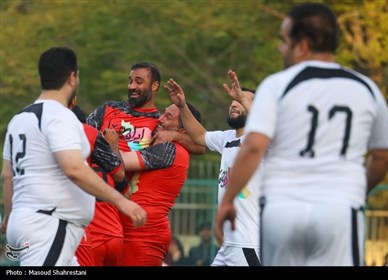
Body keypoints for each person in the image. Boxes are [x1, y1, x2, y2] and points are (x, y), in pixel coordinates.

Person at [214, 2, 388, 266]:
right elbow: (384, 156)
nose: (280, 48)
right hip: (340, 212)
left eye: (285, 40)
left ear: (303, 45)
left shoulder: (278, 86)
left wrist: (228, 200)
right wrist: (356, 191)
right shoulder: (366, 89)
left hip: (285, 210)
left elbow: (253, 146)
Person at [0, 46, 146, 266]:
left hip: (29, 222)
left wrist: (10, 216)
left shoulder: (19, 119)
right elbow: (74, 169)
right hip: (50, 224)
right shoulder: (61, 116)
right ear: (72, 77)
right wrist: (121, 201)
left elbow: (7, 176)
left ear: (41, 77)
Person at [86, 61, 204, 265]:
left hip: (137, 227)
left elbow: (200, 145)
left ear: (154, 86)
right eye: (130, 80)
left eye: (139, 81)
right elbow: (79, 138)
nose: (132, 86)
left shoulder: (158, 128)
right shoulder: (108, 109)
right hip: (101, 219)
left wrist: (175, 134)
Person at [165, 70, 262, 266]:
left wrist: (242, 97)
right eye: (233, 100)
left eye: (241, 100)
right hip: (227, 246)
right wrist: (182, 106)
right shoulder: (226, 138)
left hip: (247, 244)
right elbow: (199, 136)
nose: (234, 103)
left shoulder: (260, 141)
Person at [117, 102, 202, 266]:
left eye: (168, 116)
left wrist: (103, 139)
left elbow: (118, 162)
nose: (160, 119)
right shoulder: (165, 144)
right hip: (131, 232)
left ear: (183, 130)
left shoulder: (170, 149)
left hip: (143, 236)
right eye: (163, 113)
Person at [72, 104, 129, 266]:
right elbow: (126, 193)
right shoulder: (109, 168)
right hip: (115, 237)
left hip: (92, 238)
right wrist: (114, 146)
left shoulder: (74, 167)